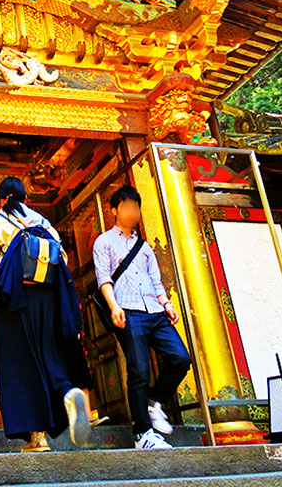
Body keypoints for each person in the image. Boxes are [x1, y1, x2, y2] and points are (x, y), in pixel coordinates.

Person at [0, 176, 102, 452]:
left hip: (13, 300)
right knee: (49, 355)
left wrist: (0, 276)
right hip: (49, 298)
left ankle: (38, 437)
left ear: (0, 199)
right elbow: (62, 260)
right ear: (26, 199)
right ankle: (68, 391)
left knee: (21, 365)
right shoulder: (43, 222)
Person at [92, 184, 192, 450]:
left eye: (135, 207)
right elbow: (104, 277)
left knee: (181, 358)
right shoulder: (104, 242)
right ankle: (143, 434)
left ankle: (154, 402)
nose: (132, 211)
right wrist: (114, 306)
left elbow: (155, 281)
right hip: (128, 310)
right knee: (139, 371)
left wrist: (166, 304)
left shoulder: (145, 247)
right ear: (115, 210)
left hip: (155, 311)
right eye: (126, 207)